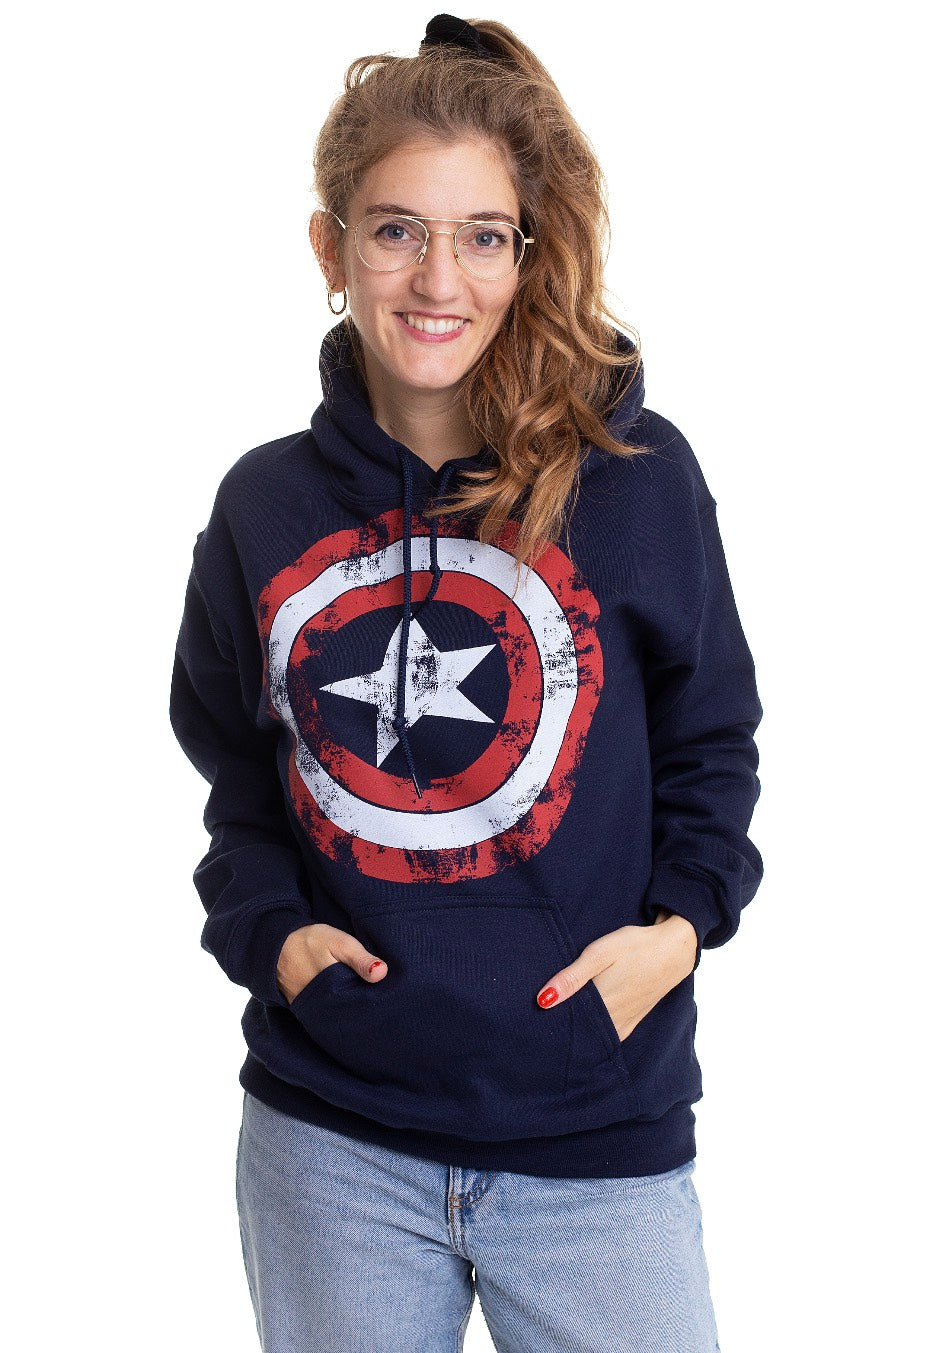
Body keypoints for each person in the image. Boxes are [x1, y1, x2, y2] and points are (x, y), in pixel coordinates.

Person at [169, 14, 764, 1352]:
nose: (439, 278)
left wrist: (679, 931)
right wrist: (275, 937)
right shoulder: (262, 508)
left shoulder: (635, 479)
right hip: (332, 1143)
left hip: (596, 1127)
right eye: (396, 230)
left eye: (484, 235)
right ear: (329, 249)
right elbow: (232, 767)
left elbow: (714, 738)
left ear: (527, 253)